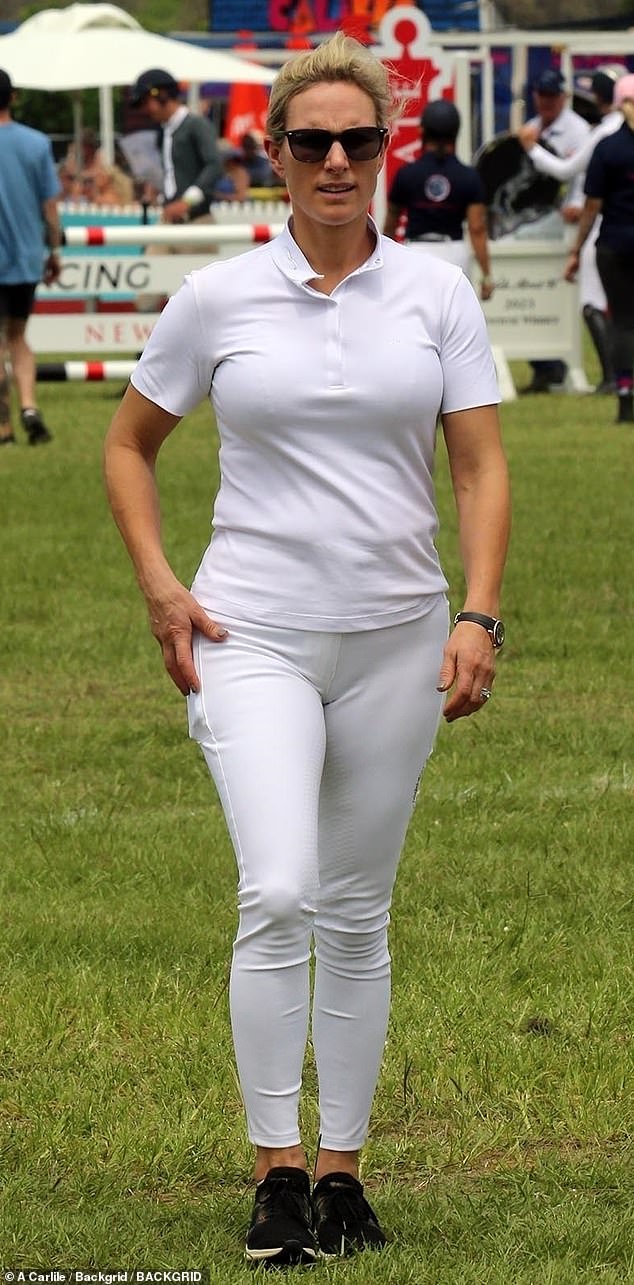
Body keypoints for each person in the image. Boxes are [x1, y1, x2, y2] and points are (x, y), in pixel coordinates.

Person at [103, 32, 510, 1266]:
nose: (337, 161)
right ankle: (274, 1168)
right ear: (272, 155)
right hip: (254, 632)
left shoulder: (436, 291)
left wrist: (476, 614)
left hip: (397, 637)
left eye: (358, 139)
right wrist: (165, 589)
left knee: (357, 906)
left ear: (385, 148)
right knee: (277, 888)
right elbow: (128, 444)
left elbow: (482, 465)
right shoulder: (219, 295)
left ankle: (342, 1174)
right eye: (311, 141)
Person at [518, 67, 624, 394]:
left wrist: (531, 148)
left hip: (603, 227)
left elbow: (568, 172)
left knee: (592, 302)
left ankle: (613, 379)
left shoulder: (602, 132)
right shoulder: (616, 130)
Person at [564, 74, 634, 424]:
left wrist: (576, 249)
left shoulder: (608, 148)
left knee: (622, 322)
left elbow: (591, 206)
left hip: (615, 243)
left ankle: (625, 394)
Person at [0, 68, 61, 446]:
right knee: (19, 337)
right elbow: (50, 207)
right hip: (25, 257)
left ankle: (3, 427)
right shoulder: (37, 144)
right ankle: (29, 405)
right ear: (14, 97)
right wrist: (53, 249)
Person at [521, 68, 591, 393]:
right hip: (535, 225)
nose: (547, 101)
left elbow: (580, 175)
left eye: (552, 96)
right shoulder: (531, 129)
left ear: (563, 96)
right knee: (531, 295)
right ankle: (543, 367)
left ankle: (558, 366)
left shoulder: (578, 131)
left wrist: (578, 203)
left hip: (568, 223)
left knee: (559, 295)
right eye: (542, 95)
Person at [383, 99, 494, 302]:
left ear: (422, 131)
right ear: (456, 132)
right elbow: (477, 229)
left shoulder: (407, 174)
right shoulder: (469, 177)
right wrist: (487, 276)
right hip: (455, 252)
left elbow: (390, 226)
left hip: (415, 252)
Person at [128, 68, 221, 222]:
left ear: (163, 95)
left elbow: (214, 165)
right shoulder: (164, 132)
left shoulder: (196, 125)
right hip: (170, 218)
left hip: (197, 220)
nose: (145, 110)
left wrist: (187, 202)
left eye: (146, 102)